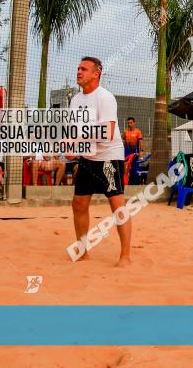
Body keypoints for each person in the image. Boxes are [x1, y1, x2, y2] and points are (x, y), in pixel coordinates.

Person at [67, 57, 131, 266]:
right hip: (88, 157)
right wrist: (71, 148)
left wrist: (75, 140)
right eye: (78, 68)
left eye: (83, 69)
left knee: (117, 205)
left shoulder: (105, 98)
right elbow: (76, 131)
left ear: (96, 73)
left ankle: (125, 256)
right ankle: (83, 251)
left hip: (108, 157)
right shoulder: (75, 100)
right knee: (79, 203)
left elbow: (107, 132)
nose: (79, 72)